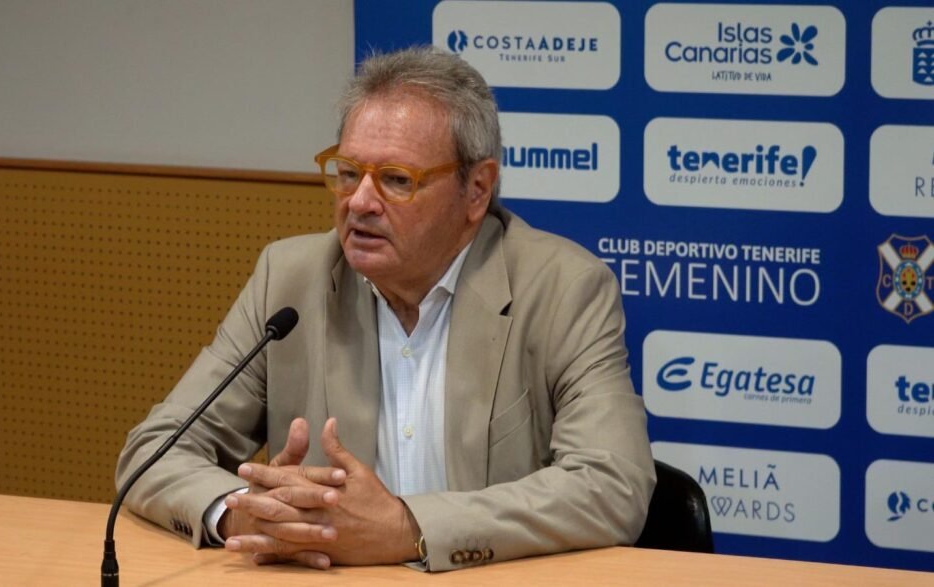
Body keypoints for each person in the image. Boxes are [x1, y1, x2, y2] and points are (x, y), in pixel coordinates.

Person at [116, 46, 655, 572]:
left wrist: (405, 528)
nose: (359, 202)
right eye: (349, 172)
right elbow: (153, 451)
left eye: (397, 180)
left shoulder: (562, 290)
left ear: (476, 190)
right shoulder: (290, 279)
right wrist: (249, 515)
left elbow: (612, 485)